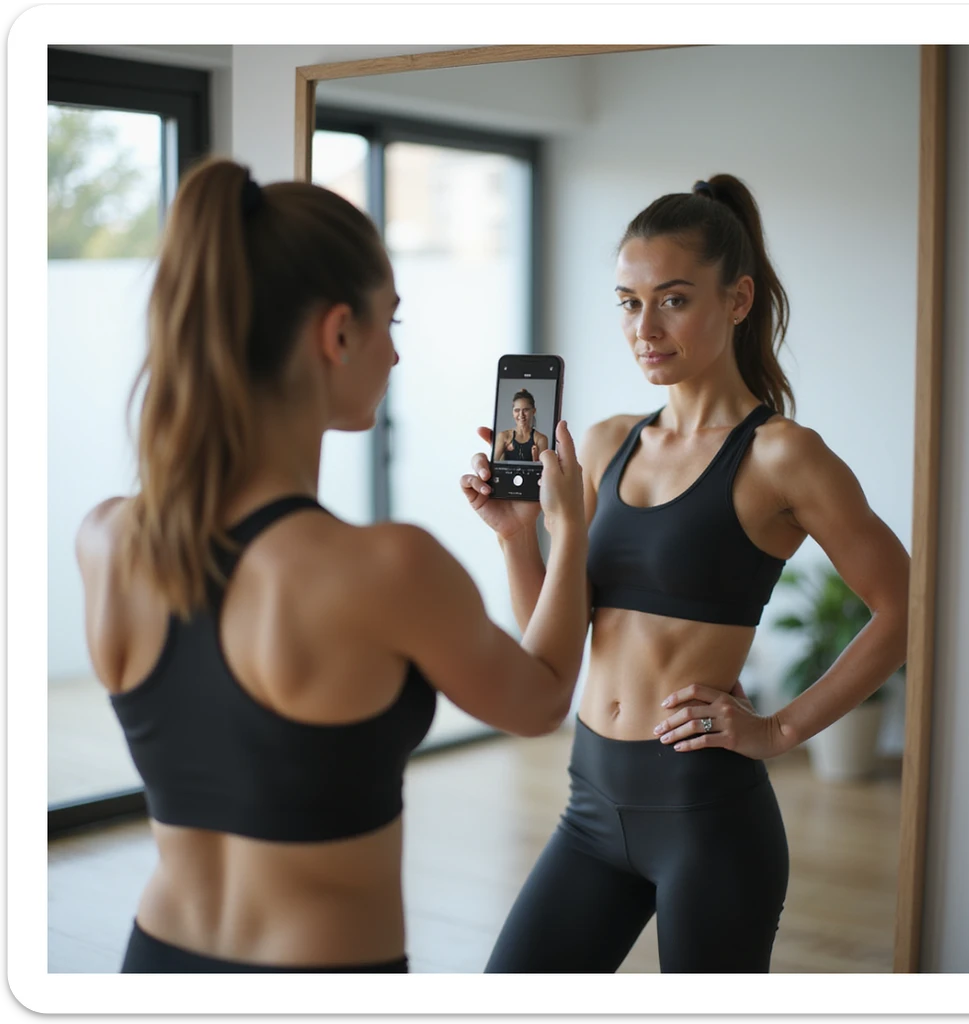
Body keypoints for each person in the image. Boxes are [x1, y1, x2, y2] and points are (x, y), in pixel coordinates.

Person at [74, 157, 589, 973]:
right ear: (337, 332)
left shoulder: (105, 540)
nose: (394, 356)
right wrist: (565, 533)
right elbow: (544, 699)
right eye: (392, 324)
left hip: (156, 959)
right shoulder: (389, 568)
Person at [461, 174, 910, 973]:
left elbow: (909, 608)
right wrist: (517, 537)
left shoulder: (781, 456)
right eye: (629, 303)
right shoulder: (600, 445)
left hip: (706, 818)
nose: (645, 326)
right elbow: (551, 654)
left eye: (672, 299)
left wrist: (782, 730)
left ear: (737, 301)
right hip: (590, 806)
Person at [494, 389, 549, 462]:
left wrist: (535, 458)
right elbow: (493, 464)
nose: (521, 414)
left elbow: (543, 470)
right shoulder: (504, 436)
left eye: (525, 410)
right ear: (513, 412)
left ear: (533, 411)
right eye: (517, 410)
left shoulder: (540, 439)